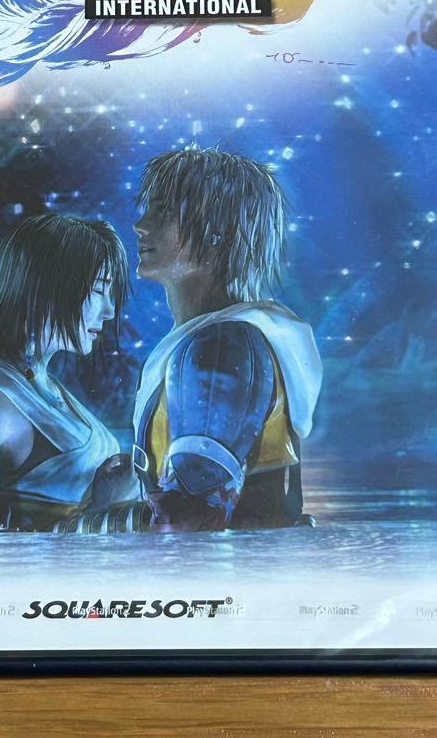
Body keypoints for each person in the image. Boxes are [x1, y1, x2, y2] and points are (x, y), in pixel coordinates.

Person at [56, 148, 322, 534]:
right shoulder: (218, 339)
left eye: (164, 211)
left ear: (217, 231)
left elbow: (192, 516)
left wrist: (70, 530)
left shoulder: (218, 346)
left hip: (223, 567)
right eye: (148, 210)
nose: (141, 225)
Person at [0, 212, 138, 531]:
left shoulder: (43, 382)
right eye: (98, 290)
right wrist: (99, 506)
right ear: (46, 289)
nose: (110, 310)